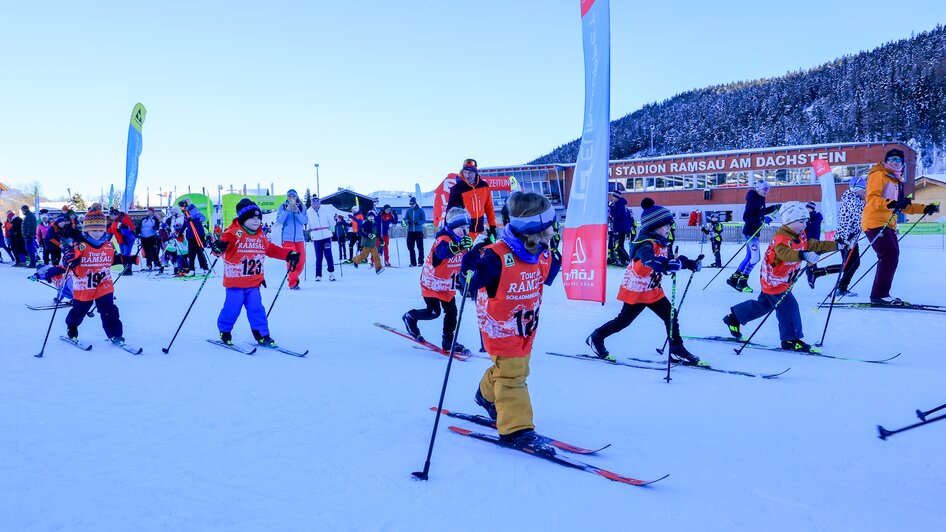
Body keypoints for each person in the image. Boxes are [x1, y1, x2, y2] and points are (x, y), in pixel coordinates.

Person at [467, 191, 561, 453]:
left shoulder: (539, 251)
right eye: (547, 228)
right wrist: (472, 266)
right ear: (531, 230)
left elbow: (546, 274)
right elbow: (469, 286)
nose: (553, 233)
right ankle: (516, 429)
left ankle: (485, 395)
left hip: (525, 328)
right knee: (513, 377)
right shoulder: (496, 256)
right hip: (501, 328)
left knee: (513, 370)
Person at [587, 198, 703, 364]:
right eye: (666, 225)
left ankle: (677, 349)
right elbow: (649, 260)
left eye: (670, 225)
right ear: (655, 226)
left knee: (671, 315)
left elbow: (671, 259)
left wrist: (690, 263)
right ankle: (596, 337)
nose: (669, 228)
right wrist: (663, 265)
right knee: (623, 321)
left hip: (653, 290)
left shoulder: (662, 242)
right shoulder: (645, 243)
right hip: (637, 290)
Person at [722, 202, 840, 352]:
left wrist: (836, 245)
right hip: (774, 281)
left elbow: (813, 244)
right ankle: (790, 340)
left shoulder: (799, 234)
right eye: (801, 222)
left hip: (782, 279)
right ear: (789, 221)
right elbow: (785, 254)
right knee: (789, 307)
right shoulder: (781, 238)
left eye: (806, 221)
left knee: (765, 305)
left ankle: (735, 317)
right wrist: (802, 255)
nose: (804, 225)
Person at [210, 198, 299, 347]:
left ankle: (262, 335)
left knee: (257, 309)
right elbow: (219, 248)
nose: (256, 221)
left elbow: (271, 250)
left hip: (253, 283)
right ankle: (224, 331)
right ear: (243, 218)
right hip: (235, 282)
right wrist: (218, 247)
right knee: (232, 309)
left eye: (258, 217)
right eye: (252, 217)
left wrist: (288, 254)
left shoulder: (260, 236)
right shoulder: (233, 233)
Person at [861, 148, 939, 305]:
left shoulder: (897, 182)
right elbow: (872, 199)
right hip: (874, 222)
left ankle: (881, 294)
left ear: (902, 163)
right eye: (892, 159)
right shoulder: (879, 174)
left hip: (888, 223)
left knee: (892, 256)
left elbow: (903, 206)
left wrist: (924, 208)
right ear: (886, 162)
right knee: (889, 255)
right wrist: (893, 203)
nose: (895, 162)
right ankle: (879, 295)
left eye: (898, 160)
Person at [402, 208, 473, 352]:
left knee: (452, 312)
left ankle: (448, 340)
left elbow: (464, 262)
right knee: (434, 312)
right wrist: (459, 247)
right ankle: (410, 317)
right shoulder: (443, 239)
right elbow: (442, 254)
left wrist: (464, 281)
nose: (465, 231)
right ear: (453, 226)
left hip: (447, 283)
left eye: (467, 228)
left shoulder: (464, 241)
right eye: (462, 228)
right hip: (432, 282)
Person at [62, 209, 126, 344]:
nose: (97, 234)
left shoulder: (108, 245)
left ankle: (115, 335)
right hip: (84, 285)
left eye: (100, 230)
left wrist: (128, 259)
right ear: (86, 230)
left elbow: (111, 259)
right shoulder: (80, 245)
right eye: (94, 230)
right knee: (80, 310)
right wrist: (69, 259)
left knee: (109, 309)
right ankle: (72, 327)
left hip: (104, 284)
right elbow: (68, 260)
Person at [727, 181, 780, 293]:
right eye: (764, 189)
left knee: (749, 257)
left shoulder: (759, 199)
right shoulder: (753, 200)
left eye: (768, 190)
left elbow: (761, 212)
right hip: (751, 232)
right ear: (758, 188)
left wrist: (774, 208)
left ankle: (734, 279)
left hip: (755, 232)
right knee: (755, 258)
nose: (766, 192)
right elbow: (747, 217)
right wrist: (762, 219)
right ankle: (742, 282)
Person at [825, 177, 867, 296]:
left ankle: (841, 287)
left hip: (851, 237)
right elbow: (860, 215)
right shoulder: (850, 198)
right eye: (864, 190)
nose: (865, 192)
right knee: (851, 263)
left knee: (852, 263)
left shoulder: (856, 198)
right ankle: (840, 288)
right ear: (857, 189)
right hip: (846, 238)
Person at [447, 158, 497, 240]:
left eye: (470, 172)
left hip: (480, 231)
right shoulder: (457, 189)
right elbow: (450, 212)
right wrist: (450, 232)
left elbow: (489, 207)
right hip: (464, 232)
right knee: (466, 253)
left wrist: (492, 227)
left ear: (475, 172)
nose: (467, 176)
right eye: (465, 172)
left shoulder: (484, 186)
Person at [276, 189, 308, 290]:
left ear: (296, 197)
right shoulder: (283, 206)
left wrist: (297, 211)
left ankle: (291, 277)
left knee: (301, 261)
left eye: (293, 196)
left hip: (299, 238)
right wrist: (287, 210)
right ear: (287, 197)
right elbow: (279, 220)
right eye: (289, 196)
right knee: (292, 261)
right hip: (287, 238)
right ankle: (293, 283)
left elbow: (305, 221)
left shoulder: (302, 207)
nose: (291, 198)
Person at [305, 195, 336, 281]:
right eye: (313, 203)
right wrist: (306, 228)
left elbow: (331, 222)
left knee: (328, 255)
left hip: (326, 236)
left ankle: (331, 273)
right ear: (311, 204)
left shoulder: (325, 210)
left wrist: (334, 222)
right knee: (319, 257)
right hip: (316, 237)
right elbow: (307, 225)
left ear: (319, 203)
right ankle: (318, 275)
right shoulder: (308, 212)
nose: (315, 205)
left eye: (317, 203)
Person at [179, 198, 210, 275]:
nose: (181, 208)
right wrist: (180, 232)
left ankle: (205, 269)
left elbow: (203, 218)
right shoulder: (185, 213)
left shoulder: (194, 210)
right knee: (191, 253)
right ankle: (192, 270)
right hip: (191, 235)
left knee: (199, 252)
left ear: (186, 205)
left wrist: (193, 219)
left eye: (182, 206)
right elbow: (185, 223)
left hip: (198, 234)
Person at [351, 209, 383, 274]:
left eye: (372, 217)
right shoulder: (365, 224)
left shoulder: (374, 224)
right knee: (363, 256)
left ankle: (378, 268)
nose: (371, 218)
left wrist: (380, 239)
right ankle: (355, 260)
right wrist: (368, 235)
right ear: (367, 217)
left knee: (376, 256)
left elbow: (376, 232)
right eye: (370, 217)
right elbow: (361, 232)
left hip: (373, 244)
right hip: (367, 243)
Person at [108, 208, 137, 276]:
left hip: (127, 239)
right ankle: (126, 269)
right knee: (123, 254)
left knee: (126, 254)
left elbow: (131, 227)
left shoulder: (123, 219)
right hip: (121, 240)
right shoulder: (115, 221)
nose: (110, 217)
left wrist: (124, 229)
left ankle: (128, 270)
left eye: (111, 215)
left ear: (115, 214)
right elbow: (112, 230)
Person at [608, 191, 632, 266]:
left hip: (620, 228)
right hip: (621, 228)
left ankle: (627, 259)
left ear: (617, 197)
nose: (612, 198)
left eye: (613, 197)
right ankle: (623, 259)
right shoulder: (622, 205)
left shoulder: (620, 206)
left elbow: (616, 215)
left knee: (619, 245)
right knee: (619, 245)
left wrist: (611, 207)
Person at [404, 196, 426, 267]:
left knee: (420, 248)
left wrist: (418, 222)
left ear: (415, 203)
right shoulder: (408, 211)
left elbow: (424, 220)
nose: (411, 205)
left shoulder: (420, 210)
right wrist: (406, 221)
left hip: (418, 232)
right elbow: (405, 219)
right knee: (410, 248)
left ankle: (421, 262)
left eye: (412, 204)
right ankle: (413, 263)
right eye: (410, 204)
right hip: (410, 231)